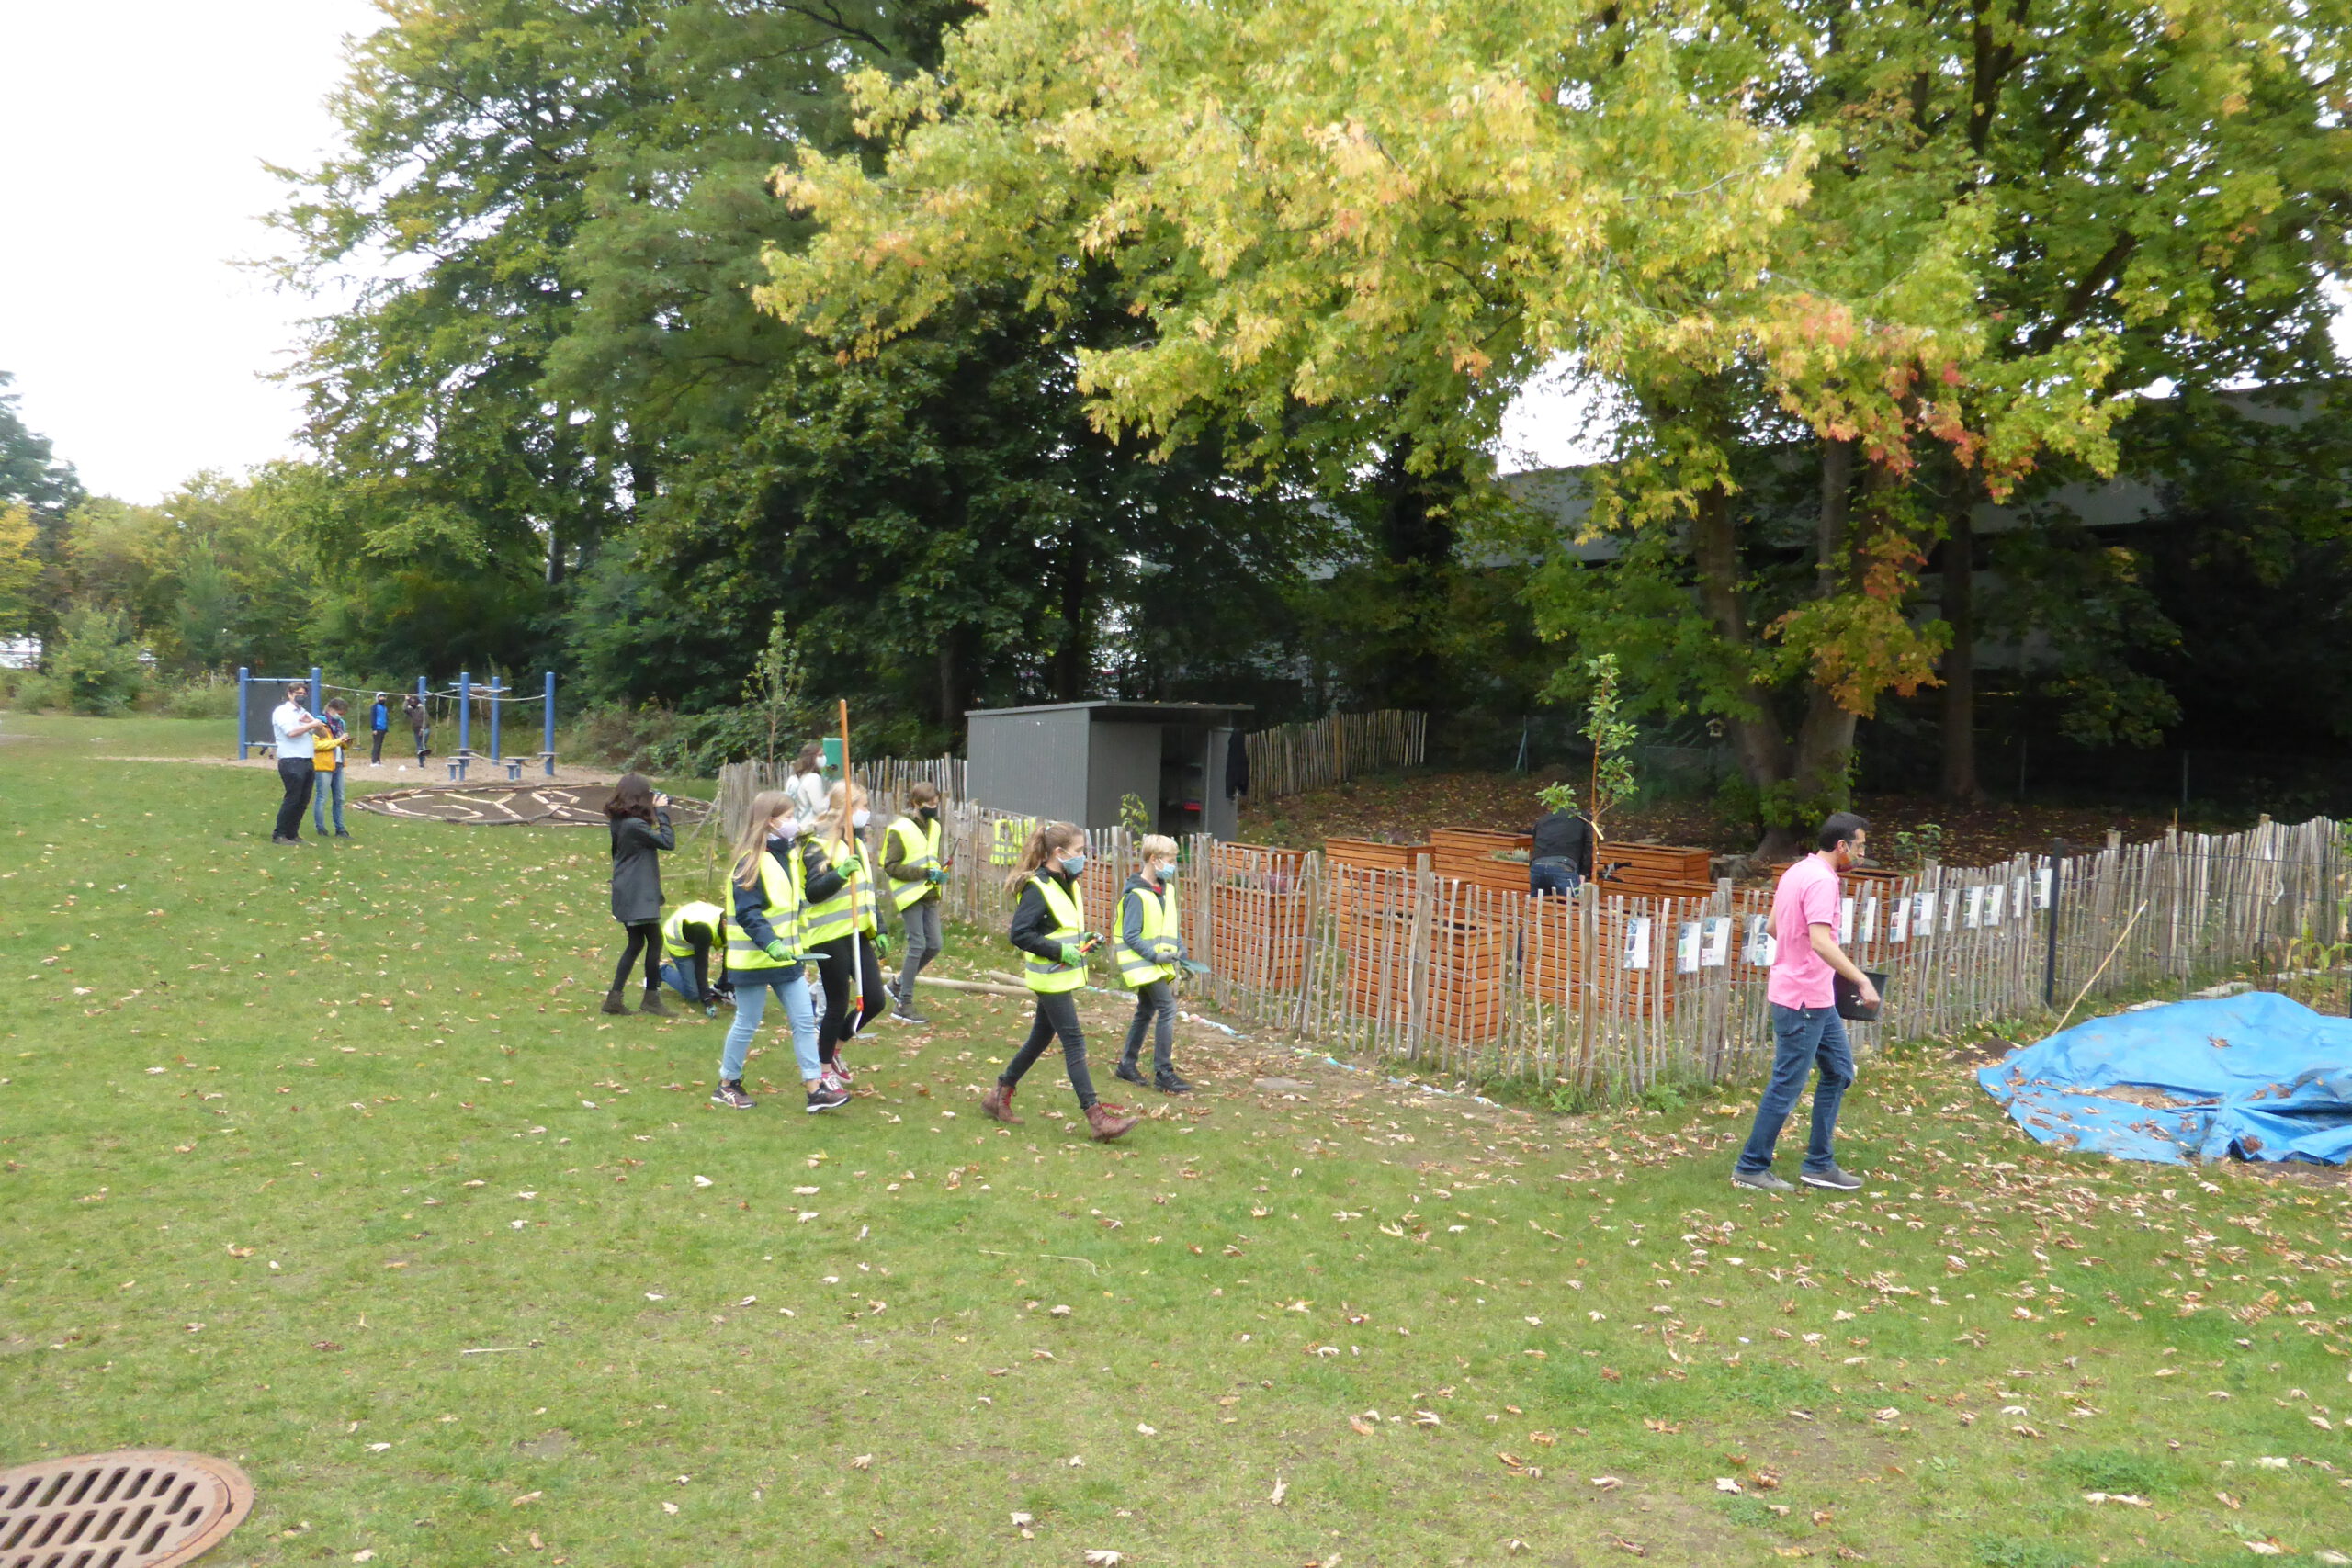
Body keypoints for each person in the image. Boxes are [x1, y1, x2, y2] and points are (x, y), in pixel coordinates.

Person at [1732, 812, 1878, 1193]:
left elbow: (1773, 927)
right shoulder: (1823, 881)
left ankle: (1819, 1164)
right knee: (1787, 1084)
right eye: (1860, 846)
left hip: (1815, 997)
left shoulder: (1797, 871)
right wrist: (1861, 980)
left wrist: (1801, 961)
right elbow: (1820, 941)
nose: (1862, 854)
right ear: (1842, 846)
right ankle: (1750, 1166)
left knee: (1839, 1071)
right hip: (1801, 1002)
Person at [980, 821, 1137, 1141]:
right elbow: (1020, 934)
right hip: (1049, 978)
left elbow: (1057, 928)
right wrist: (1059, 951)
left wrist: (1082, 940)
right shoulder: (1037, 887)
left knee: (1040, 1038)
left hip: (1060, 976)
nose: (1084, 857)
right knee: (1074, 1042)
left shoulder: (1068, 882)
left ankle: (999, 1094)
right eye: (1079, 851)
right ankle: (1096, 1118)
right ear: (1059, 853)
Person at [718, 790, 845, 1112]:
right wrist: (770, 943)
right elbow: (748, 912)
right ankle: (727, 1084)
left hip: (788, 959)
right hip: (753, 960)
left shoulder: (787, 857)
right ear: (770, 821)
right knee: (747, 1022)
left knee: (804, 1021)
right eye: (788, 817)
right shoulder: (750, 861)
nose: (793, 822)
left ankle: (815, 1089)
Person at [803, 780, 890, 1089]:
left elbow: (866, 891)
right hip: (829, 936)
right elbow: (813, 892)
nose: (867, 813)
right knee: (837, 1004)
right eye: (863, 807)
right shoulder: (818, 845)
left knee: (875, 1000)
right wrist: (839, 874)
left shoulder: (858, 845)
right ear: (846, 809)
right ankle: (823, 1069)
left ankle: (836, 1047)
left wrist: (879, 928)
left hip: (856, 933)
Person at [1114, 834, 1194, 1094]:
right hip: (1145, 964)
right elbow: (1130, 935)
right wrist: (1155, 956)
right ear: (1153, 859)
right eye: (1170, 860)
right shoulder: (1136, 894)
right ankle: (1164, 1072)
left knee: (1145, 1012)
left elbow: (1170, 925)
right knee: (1168, 1009)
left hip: (1158, 964)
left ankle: (1127, 1065)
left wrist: (1180, 951)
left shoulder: (1166, 890)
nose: (1173, 866)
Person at [602, 773, 675, 1017]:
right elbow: (667, 842)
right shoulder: (634, 825)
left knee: (636, 943)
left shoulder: (620, 821)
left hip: (628, 889)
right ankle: (651, 998)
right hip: (638, 892)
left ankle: (614, 999)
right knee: (654, 941)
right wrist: (662, 813)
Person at [881, 782, 948, 1026]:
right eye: (930, 804)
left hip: (930, 893)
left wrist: (938, 872)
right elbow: (890, 866)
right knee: (917, 945)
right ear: (916, 804)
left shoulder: (935, 826)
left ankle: (898, 983)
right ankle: (904, 1004)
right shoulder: (900, 829)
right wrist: (924, 873)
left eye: (936, 803)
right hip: (910, 895)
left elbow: (930, 857)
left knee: (935, 944)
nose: (934, 807)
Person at [269, 681, 327, 844]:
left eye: (304, 694)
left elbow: (323, 734)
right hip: (291, 759)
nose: (301, 696)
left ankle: (292, 833)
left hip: (307, 759)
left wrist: (315, 725)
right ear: (290, 694)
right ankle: (280, 834)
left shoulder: (304, 713)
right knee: (293, 798)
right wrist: (311, 725)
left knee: (303, 800)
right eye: (298, 694)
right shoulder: (282, 712)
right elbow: (291, 733)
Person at [660, 899, 728, 1014]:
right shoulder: (704, 931)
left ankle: (720, 988)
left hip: (695, 935)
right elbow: (701, 966)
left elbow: (730, 960)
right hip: (679, 945)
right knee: (694, 994)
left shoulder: (733, 928)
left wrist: (725, 986)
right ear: (724, 923)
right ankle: (662, 971)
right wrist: (707, 1000)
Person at [1528, 789, 1594, 895]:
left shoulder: (1544, 818)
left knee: (1538, 903)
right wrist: (1584, 872)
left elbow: (1535, 840)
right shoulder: (1584, 818)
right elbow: (1590, 844)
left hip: (1538, 864)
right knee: (1572, 904)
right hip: (1564, 866)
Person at [311, 698, 353, 839]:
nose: (341, 716)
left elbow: (340, 745)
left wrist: (345, 742)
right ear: (330, 709)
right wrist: (337, 741)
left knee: (340, 798)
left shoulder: (340, 724)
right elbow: (317, 745)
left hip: (338, 764)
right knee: (322, 797)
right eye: (339, 713)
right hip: (323, 765)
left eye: (343, 714)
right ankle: (321, 828)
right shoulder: (318, 723)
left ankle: (340, 829)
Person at [786, 742, 830, 822]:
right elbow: (819, 808)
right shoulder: (813, 778)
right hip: (810, 824)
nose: (823, 758)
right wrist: (830, 796)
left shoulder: (794, 778)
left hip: (798, 821)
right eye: (820, 755)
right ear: (812, 757)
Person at [405, 693, 429, 767]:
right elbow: (404, 709)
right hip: (416, 730)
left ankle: (423, 754)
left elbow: (426, 720)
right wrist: (407, 700)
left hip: (425, 729)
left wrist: (422, 728)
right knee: (419, 747)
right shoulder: (411, 710)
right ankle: (421, 762)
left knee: (422, 745)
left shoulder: (422, 709)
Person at [368, 693, 390, 764]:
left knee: (380, 745)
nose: (382, 698)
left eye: (384, 697)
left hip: (383, 729)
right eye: (381, 697)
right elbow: (373, 717)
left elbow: (385, 718)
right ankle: (374, 761)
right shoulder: (375, 707)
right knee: (376, 745)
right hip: (377, 728)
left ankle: (378, 761)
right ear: (377, 698)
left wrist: (386, 729)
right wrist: (374, 728)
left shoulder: (385, 708)